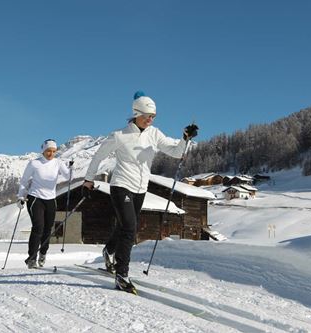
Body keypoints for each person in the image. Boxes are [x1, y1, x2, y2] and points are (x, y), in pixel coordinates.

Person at [82, 91, 198, 293]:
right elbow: (97, 157)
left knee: (125, 225)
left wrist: (185, 139)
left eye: (153, 116)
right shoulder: (119, 135)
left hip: (141, 188)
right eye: (147, 116)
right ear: (136, 113)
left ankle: (108, 250)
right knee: (130, 227)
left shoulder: (154, 134)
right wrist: (88, 180)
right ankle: (122, 274)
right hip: (121, 185)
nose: (150, 120)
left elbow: (176, 152)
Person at [17, 139, 72, 269]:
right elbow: (24, 181)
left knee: (48, 229)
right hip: (35, 198)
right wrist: (20, 196)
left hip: (51, 199)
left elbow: (68, 177)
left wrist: (70, 168)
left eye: (53, 151)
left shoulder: (58, 163)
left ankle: (43, 253)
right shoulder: (34, 163)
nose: (51, 153)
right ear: (43, 150)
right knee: (38, 228)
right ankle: (31, 258)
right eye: (48, 151)